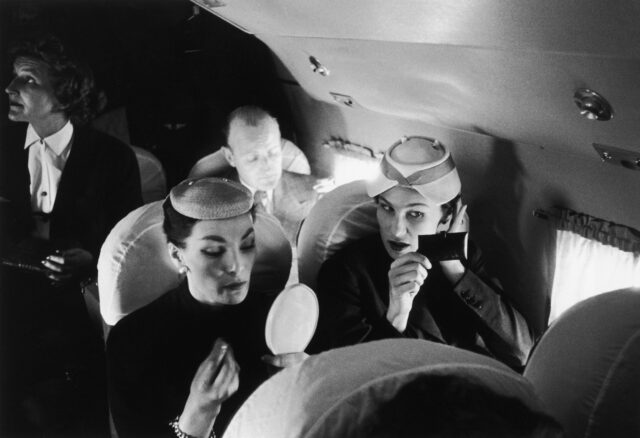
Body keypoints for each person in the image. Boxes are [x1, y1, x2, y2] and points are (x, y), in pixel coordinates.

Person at [0, 34, 142, 436]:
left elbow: (127, 240)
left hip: (81, 303)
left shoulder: (114, 159)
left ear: (63, 94)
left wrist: (92, 259)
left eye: (27, 80)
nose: (9, 89)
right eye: (13, 78)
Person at [311, 136, 533, 370]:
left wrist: (456, 271)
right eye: (387, 208)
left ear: (447, 218)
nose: (396, 230)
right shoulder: (345, 273)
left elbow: (521, 352)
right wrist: (396, 313)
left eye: (415, 214)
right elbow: (354, 377)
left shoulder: (461, 261)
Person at [106, 178, 307, 438]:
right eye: (213, 251)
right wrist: (200, 412)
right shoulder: (133, 339)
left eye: (246, 245)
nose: (236, 265)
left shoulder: (282, 317)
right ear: (178, 255)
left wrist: (309, 384)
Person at [220, 105, 319, 245]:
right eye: (253, 158)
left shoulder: (312, 191)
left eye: (273, 152)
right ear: (230, 157)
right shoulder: (212, 203)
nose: (267, 167)